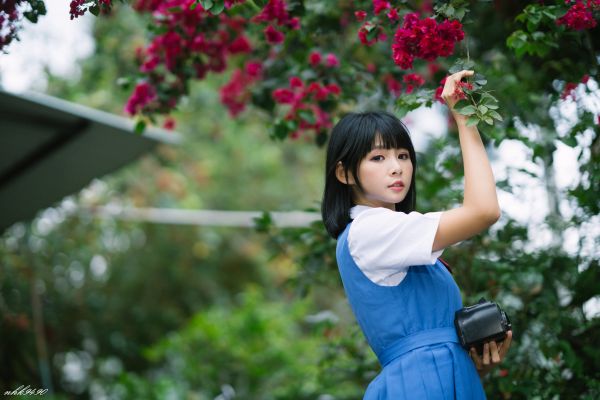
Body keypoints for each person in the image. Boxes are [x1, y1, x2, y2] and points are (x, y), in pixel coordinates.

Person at [321, 70, 512, 399]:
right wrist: (464, 117)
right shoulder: (370, 230)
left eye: (403, 156)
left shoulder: (392, 234)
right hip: (419, 383)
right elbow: (484, 211)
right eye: (378, 158)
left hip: (439, 379)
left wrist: (469, 361)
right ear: (344, 172)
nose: (396, 167)